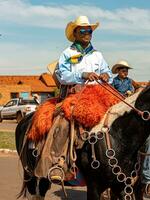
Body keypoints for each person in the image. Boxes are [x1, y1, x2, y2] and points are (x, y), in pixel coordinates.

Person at [55, 15, 112, 99]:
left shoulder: (97, 55)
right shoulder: (67, 53)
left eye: (89, 31)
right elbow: (62, 76)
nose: (86, 33)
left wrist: (106, 75)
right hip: (75, 95)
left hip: (97, 95)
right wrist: (82, 75)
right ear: (75, 33)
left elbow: (108, 73)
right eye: (82, 31)